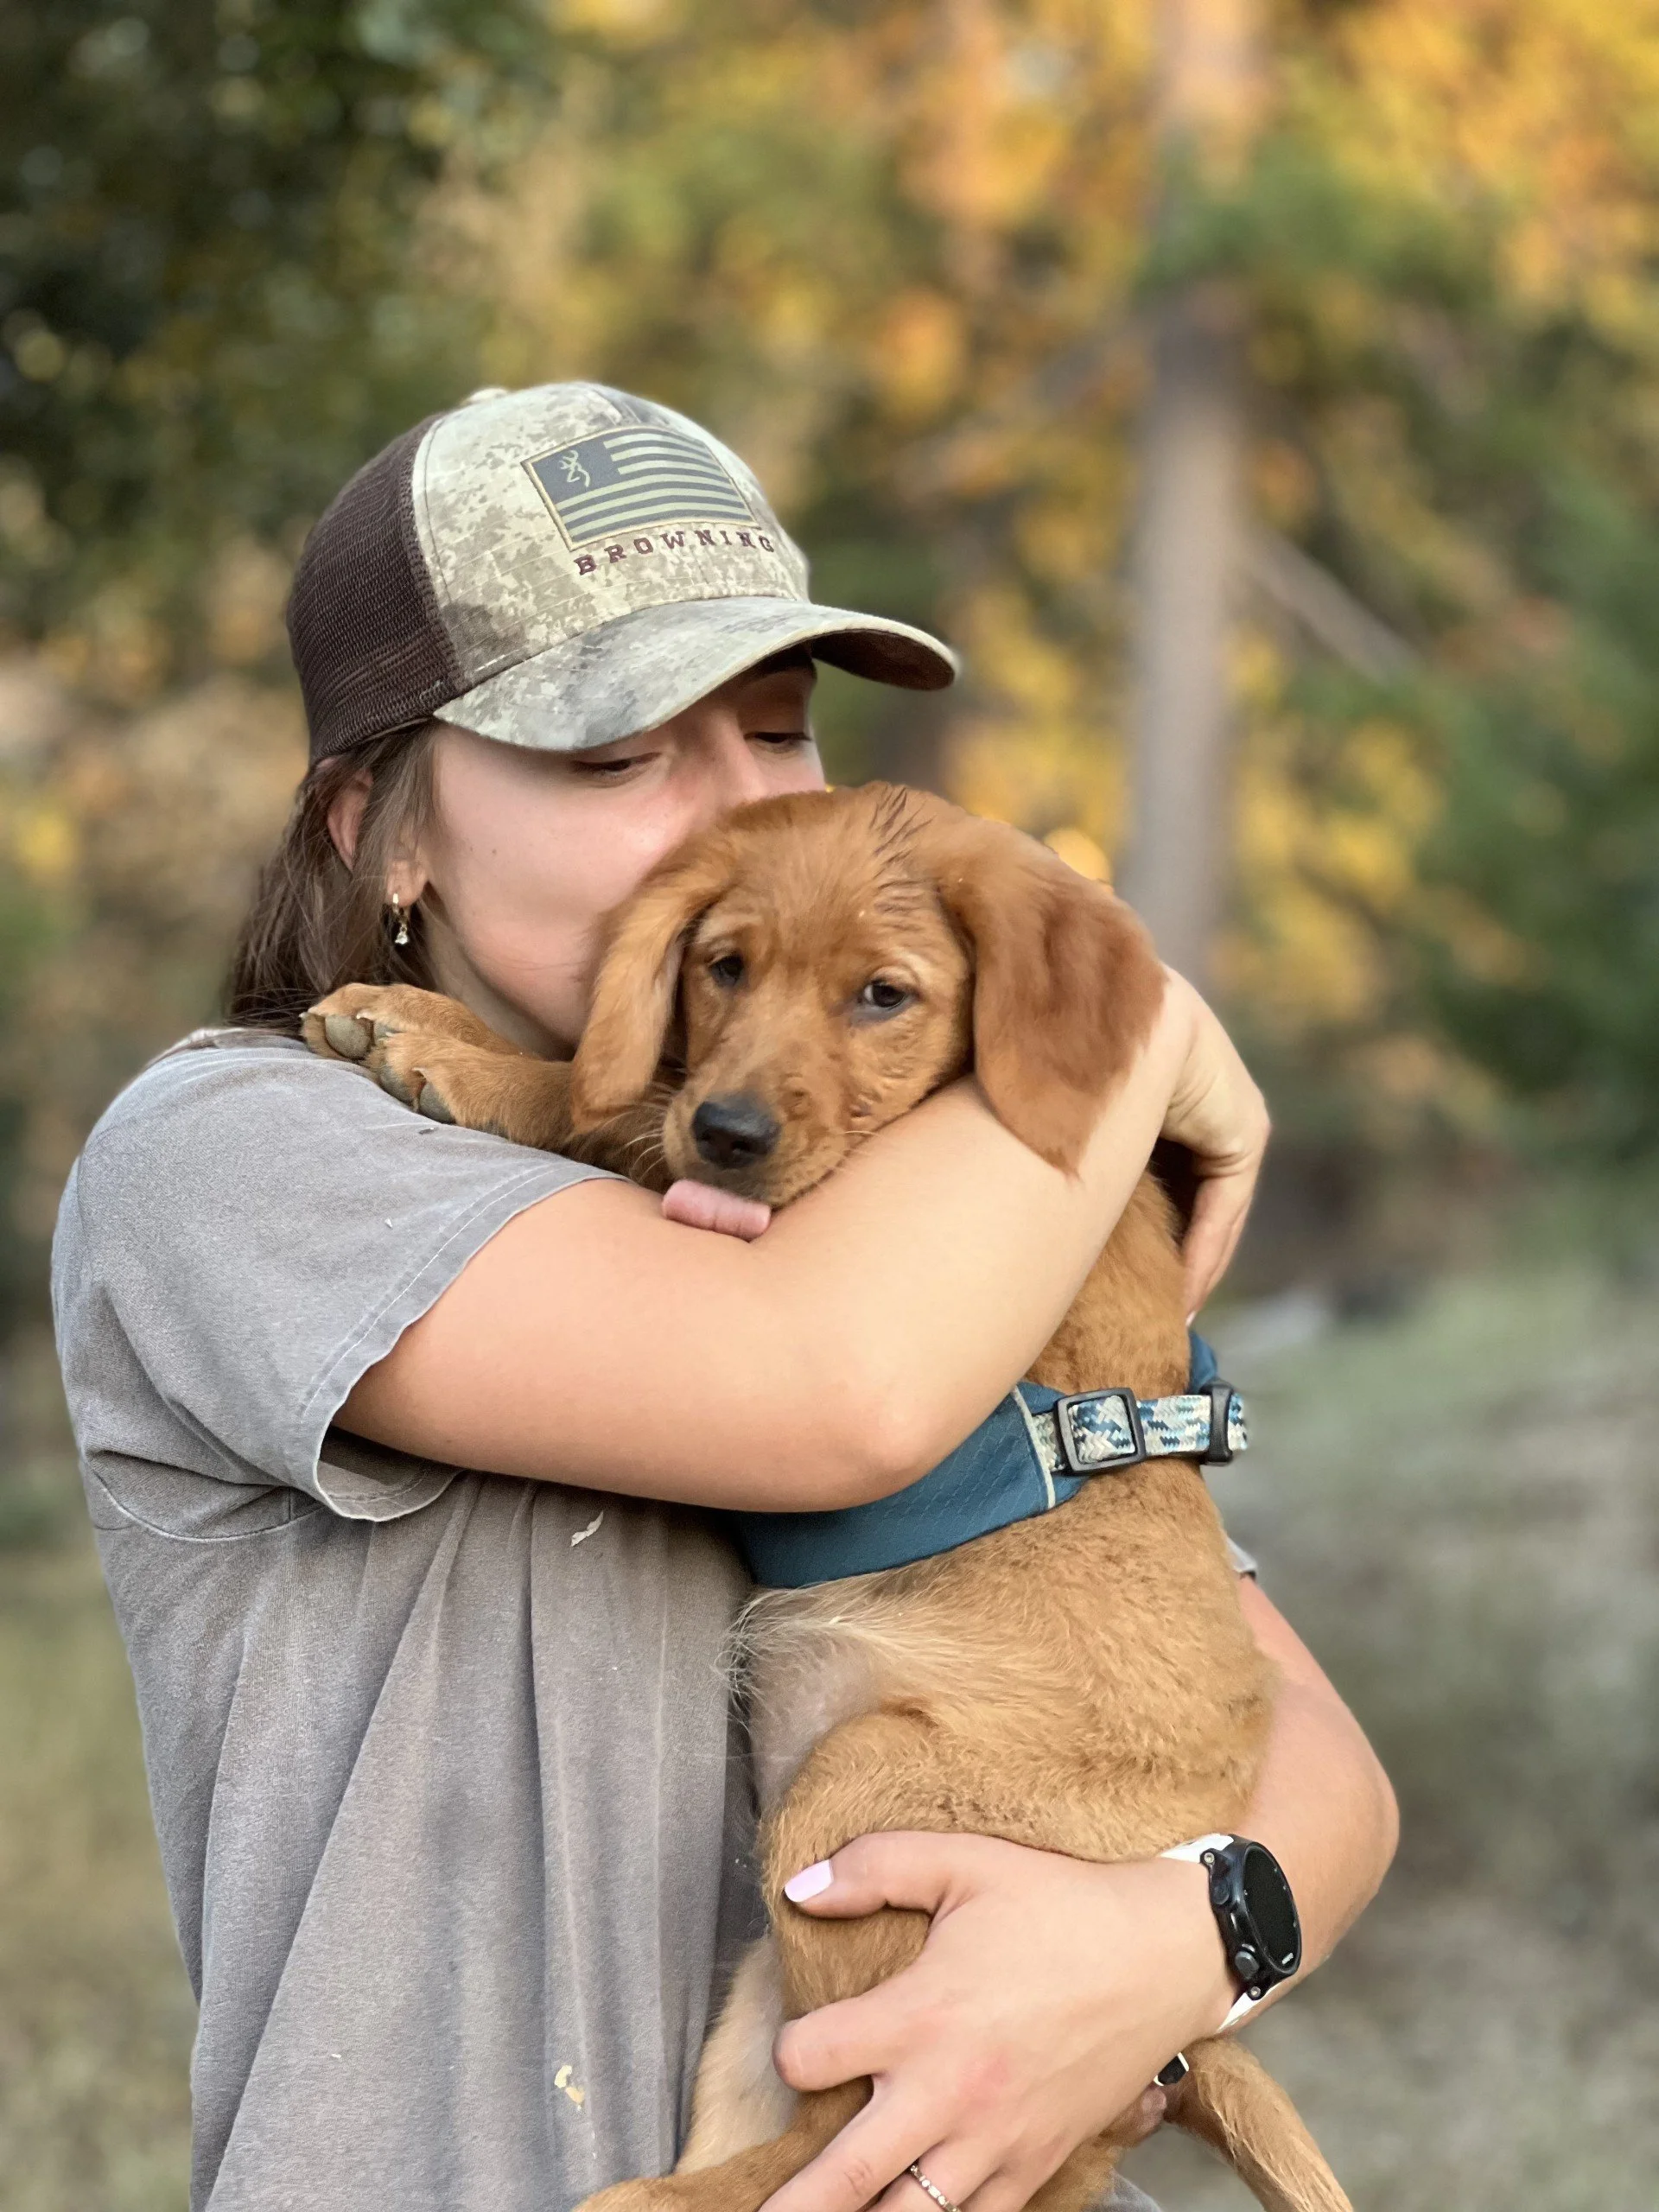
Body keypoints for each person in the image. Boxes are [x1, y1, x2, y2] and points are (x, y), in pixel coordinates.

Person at [52, 382, 1395, 2212]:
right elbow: (831, 1388)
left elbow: (1312, 1755)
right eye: (617, 757)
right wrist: (1140, 1030)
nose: (737, 807)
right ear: (388, 828)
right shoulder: (228, 1155)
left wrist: (1172, 1941)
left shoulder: (915, 1173)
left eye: (777, 728)